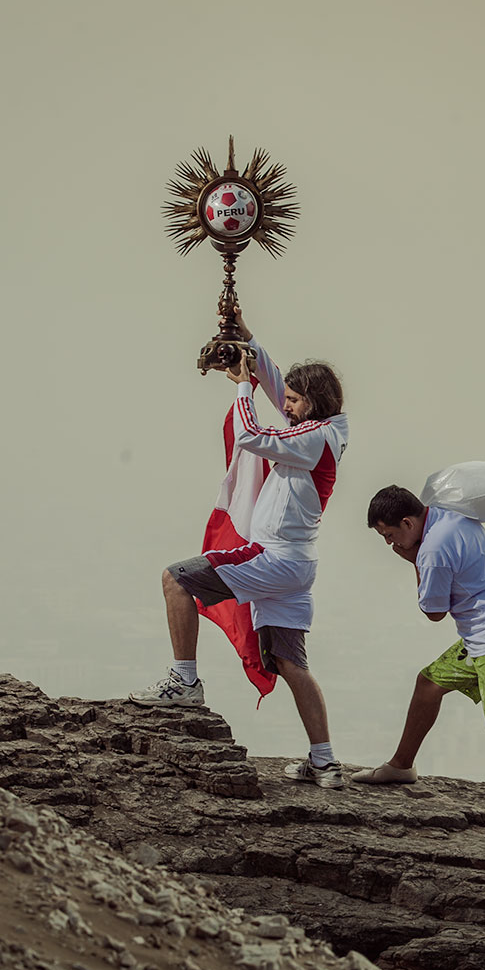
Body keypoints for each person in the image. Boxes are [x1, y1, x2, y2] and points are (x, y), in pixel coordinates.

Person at [128, 308, 351, 790]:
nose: (286, 405)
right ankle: (325, 761)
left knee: (175, 578)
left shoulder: (311, 438)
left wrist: (242, 387)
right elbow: (279, 389)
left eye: (293, 401)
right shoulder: (328, 428)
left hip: (272, 558)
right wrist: (251, 345)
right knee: (290, 662)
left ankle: (184, 681)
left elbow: (251, 435)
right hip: (296, 565)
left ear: (312, 403)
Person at [357, 486, 485, 841]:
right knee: (429, 682)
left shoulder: (431, 549)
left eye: (390, 536)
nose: (391, 545)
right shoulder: (448, 513)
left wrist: (412, 560)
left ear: (407, 521)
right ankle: (402, 765)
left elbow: (433, 612)